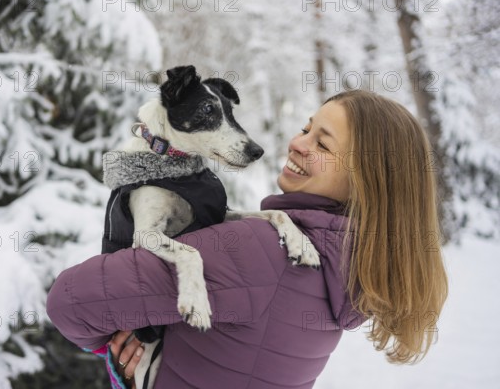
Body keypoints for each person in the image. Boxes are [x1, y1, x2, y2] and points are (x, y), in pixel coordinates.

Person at [46, 90, 449, 388]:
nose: (297, 142)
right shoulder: (350, 263)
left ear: (366, 179)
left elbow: (69, 301)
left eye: (322, 142)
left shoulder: (258, 249)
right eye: (306, 127)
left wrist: (118, 357)